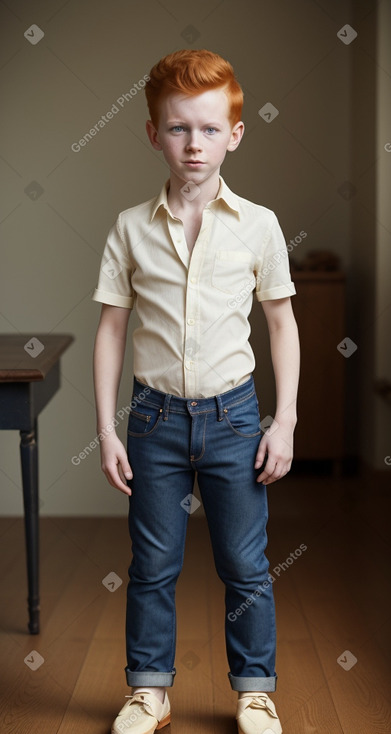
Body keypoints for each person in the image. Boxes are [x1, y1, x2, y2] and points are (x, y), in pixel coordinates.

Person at [92, 48, 300, 734]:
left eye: (209, 129)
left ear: (234, 135)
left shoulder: (260, 226)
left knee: (244, 563)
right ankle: (149, 691)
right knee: (152, 563)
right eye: (178, 128)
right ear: (153, 133)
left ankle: (254, 691)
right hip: (153, 420)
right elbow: (111, 332)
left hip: (237, 418)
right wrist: (108, 428)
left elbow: (281, 324)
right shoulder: (128, 228)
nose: (193, 144)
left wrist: (284, 422)